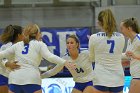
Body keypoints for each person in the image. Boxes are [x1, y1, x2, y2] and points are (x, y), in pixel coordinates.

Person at [0, 24, 72, 93]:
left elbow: (2, 55)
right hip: (30, 79)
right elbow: (50, 57)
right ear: (37, 34)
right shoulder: (39, 44)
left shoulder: (18, 45)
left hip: (14, 79)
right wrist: (64, 62)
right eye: (40, 33)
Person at [88, 9, 125, 93]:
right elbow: (118, 55)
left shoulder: (93, 37)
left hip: (101, 77)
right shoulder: (121, 37)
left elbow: (92, 58)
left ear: (99, 22)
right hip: (117, 77)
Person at [0, 25, 22, 93]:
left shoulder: (22, 46)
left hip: (14, 77)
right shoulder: (7, 46)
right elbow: (2, 58)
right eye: (23, 33)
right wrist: (7, 64)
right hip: (3, 75)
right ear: (19, 35)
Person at [120, 17, 140, 93]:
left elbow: (135, 56)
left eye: (122, 28)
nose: (121, 31)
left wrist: (135, 56)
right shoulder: (129, 40)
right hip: (134, 75)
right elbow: (129, 57)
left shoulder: (139, 38)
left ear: (129, 28)